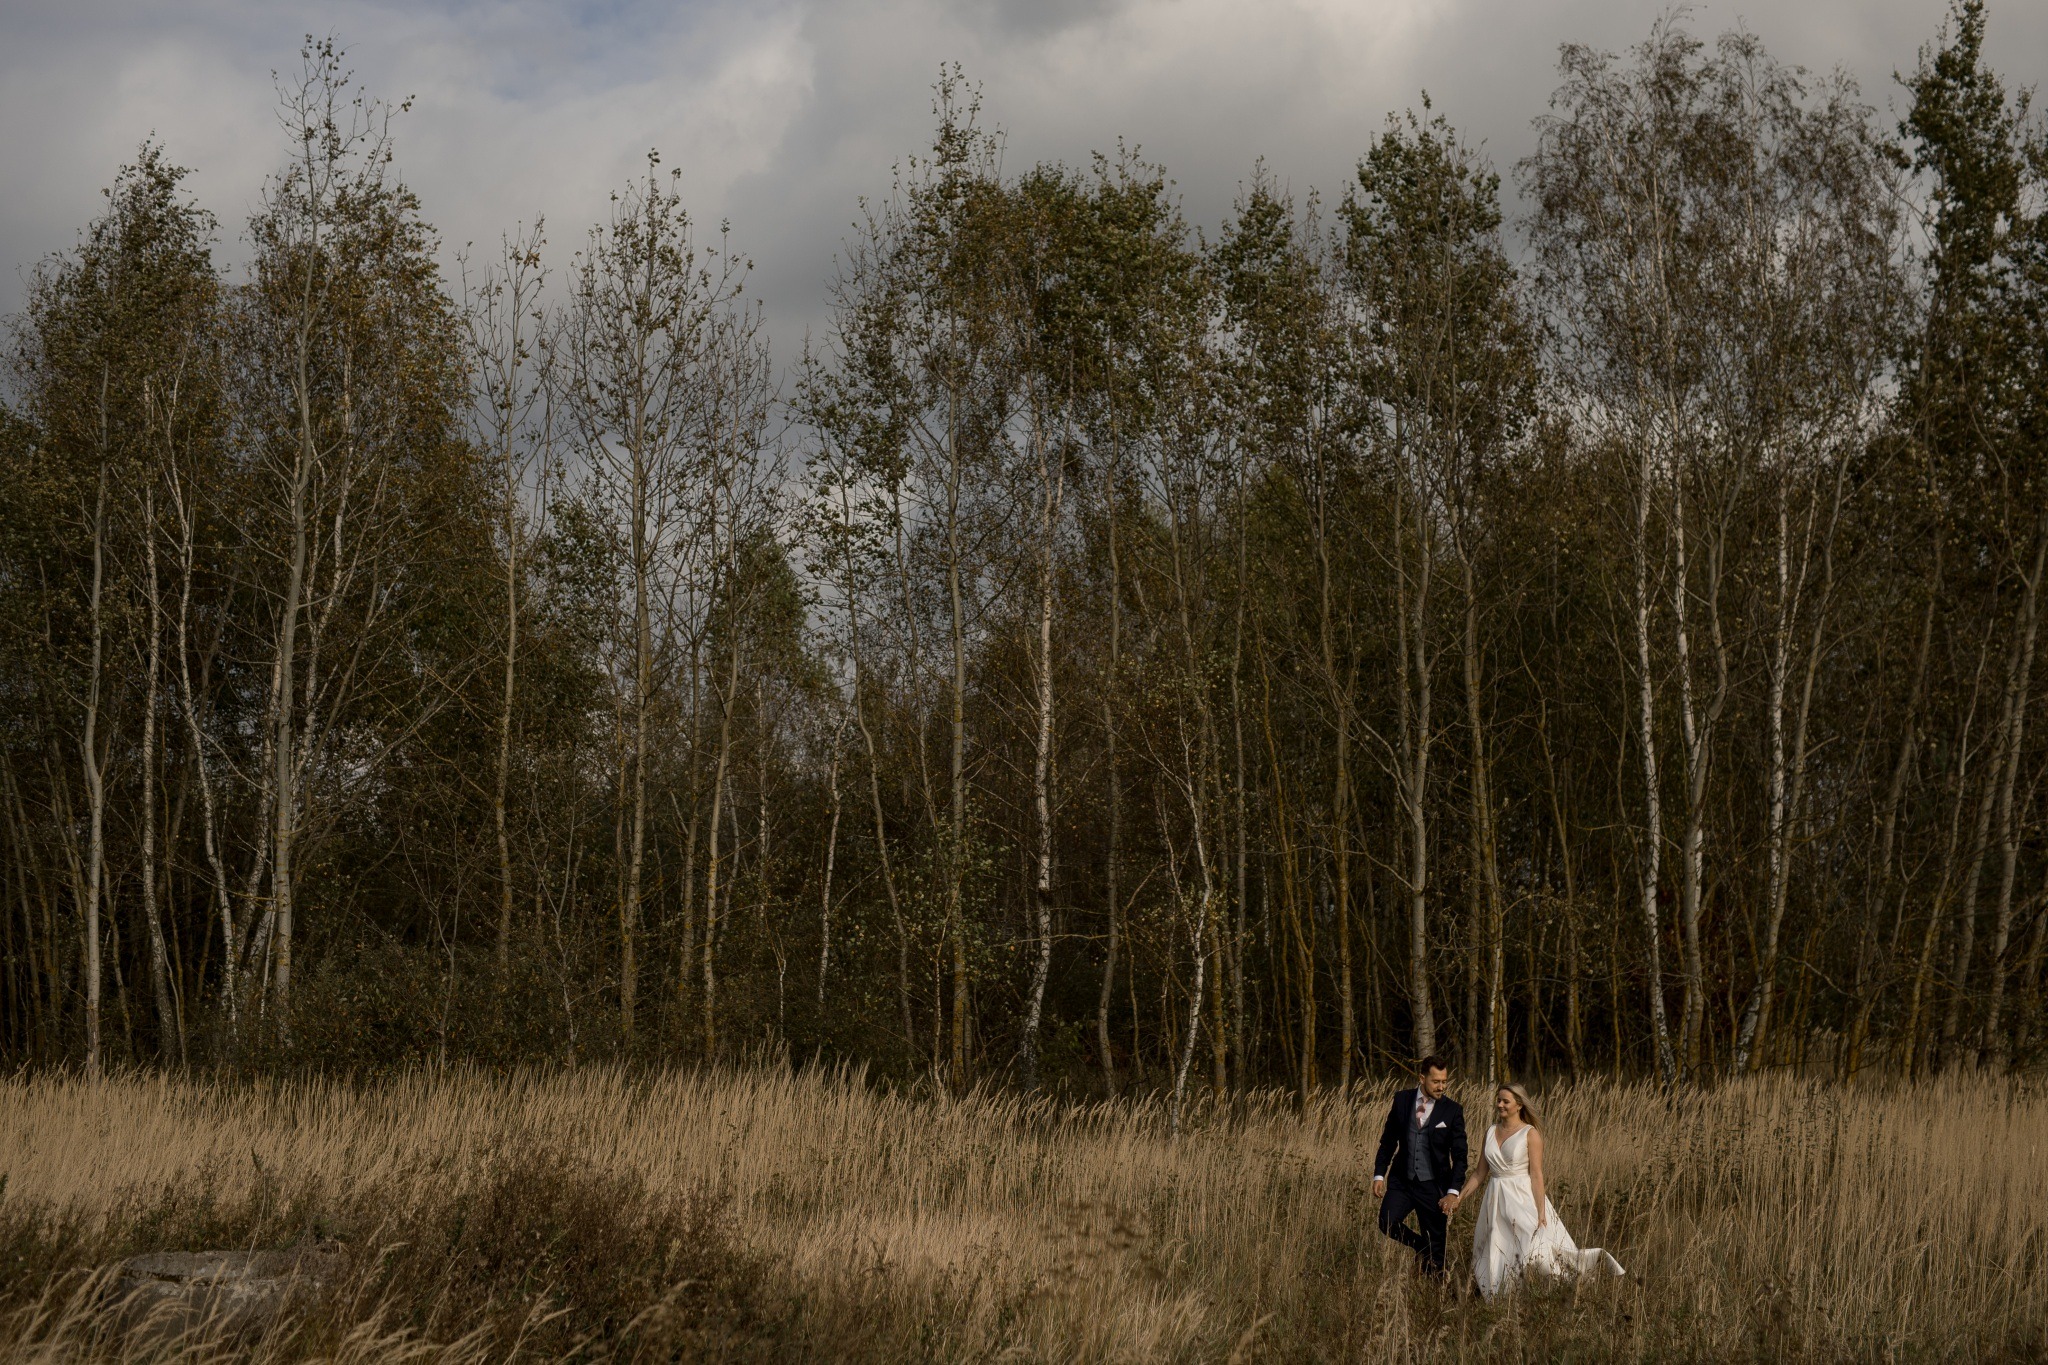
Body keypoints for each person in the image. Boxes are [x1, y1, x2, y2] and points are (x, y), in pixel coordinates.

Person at [1461, 1081, 1624, 1299]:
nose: (1500, 1105)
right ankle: (1501, 1298)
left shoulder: (1530, 1134)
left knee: (1536, 1251)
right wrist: (1459, 1197)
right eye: (1498, 1100)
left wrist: (1541, 1212)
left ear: (1519, 1105)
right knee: (1496, 1248)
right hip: (1495, 1200)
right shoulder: (1490, 1131)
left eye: (1505, 1101)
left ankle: (1564, 1287)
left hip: (1521, 1198)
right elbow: (1479, 1173)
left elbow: (1536, 1175)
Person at [1370, 1056, 1468, 1278]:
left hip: (1433, 1187)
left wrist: (1453, 1192)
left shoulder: (1452, 1110)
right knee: (1387, 1222)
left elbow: (1460, 1156)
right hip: (1402, 1181)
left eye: (1444, 1081)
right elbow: (1388, 1141)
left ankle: (1437, 1296)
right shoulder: (1402, 1100)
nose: (1441, 1086)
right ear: (1422, 1078)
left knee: (1437, 1253)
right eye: (1436, 1081)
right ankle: (1420, 1246)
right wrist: (1379, 1174)